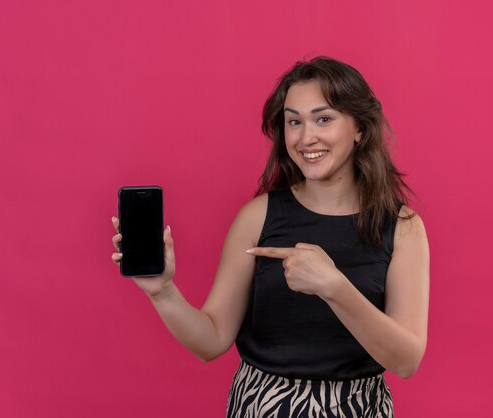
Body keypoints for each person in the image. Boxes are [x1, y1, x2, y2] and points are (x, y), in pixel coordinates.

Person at [110, 56, 429, 418]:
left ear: (359, 128)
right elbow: (211, 341)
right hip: (261, 406)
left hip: (358, 408)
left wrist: (335, 288)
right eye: (294, 121)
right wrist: (163, 291)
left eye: (323, 119)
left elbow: (406, 362)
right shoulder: (257, 215)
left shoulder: (402, 227)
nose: (306, 137)